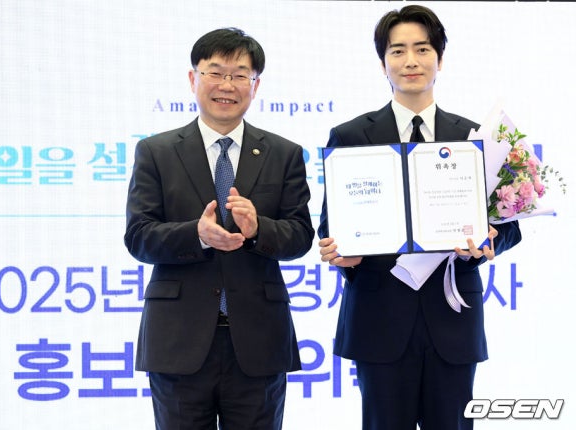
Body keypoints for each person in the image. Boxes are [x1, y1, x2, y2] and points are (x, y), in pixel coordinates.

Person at [317, 5, 522, 430]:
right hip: (379, 320)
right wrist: (342, 254)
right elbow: (330, 227)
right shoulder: (350, 136)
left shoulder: (473, 138)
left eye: (422, 49)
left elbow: (509, 226)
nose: (410, 60)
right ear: (383, 63)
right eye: (398, 51)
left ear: (439, 59)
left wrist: (489, 240)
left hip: (453, 321)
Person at [124, 27, 314, 430]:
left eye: (240, 75)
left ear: (255, 86)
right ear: (193, 78)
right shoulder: (156, 152)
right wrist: (197, 234)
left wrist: (258, 228)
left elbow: (300, 236)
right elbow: (139, 236)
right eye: (215, 72)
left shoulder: (284, 154)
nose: (227, 85)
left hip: (258, 342)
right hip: (178, 341)